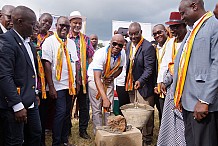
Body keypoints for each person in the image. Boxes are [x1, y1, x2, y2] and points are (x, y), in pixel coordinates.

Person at [171, 0, 218, 145]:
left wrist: (205, 100)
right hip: (188, 102)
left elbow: (216, 64)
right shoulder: (193, 30)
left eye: (183, 13)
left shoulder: (214, 26)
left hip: (203, 105)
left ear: (194, 6)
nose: (181, 17)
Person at [0, 6, 41, 146]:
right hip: (15, 105)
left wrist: (35, 94)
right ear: (19, 21)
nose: (35, 28)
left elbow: (30, 72)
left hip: (31, 101)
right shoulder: (6, 41)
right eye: (32, 24)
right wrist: (17, 106)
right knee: (15, 141)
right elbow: (5, 76)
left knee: (36, 134)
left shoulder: (28, 43)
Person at [42, 16, 78, 146]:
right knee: (60, 113)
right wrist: (51, 86)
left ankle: (64, 141)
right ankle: (56, 142)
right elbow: (46, 64)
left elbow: (76, 64)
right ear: (56, 26)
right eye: (61, 25)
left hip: (70, 85)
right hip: (57, 85)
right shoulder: (49, 41)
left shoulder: (71, 43)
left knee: (66, 114)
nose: (64, 28)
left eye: (67, 26)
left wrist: (77, 83)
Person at [157, 12, 187, 146]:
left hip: (186, 87)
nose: (173, 30)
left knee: (183, 119)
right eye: (171, 27)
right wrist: (161, 81)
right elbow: (165, 63)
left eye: (176, 27)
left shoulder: (190, 41)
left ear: (184, 25)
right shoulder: (170, 43)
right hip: (171, 87)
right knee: (170, 118)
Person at [125, 22, 156, 146]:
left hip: (144, 87)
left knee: (146, 114)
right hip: (131, 86)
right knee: (135, 114)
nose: (133, 37)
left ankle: (147, 139)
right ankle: (137, 136)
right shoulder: (128, 46)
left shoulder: (147, 47)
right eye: (131, 34)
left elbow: (149, 69)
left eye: (135, 34)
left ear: (141, 32)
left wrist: (140, 81)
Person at [88, 34, 125, 133]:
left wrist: (112, 77)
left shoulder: (123, 54)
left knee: (109, 107)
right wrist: (104, 98)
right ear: (110, 43)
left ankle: (109, 130)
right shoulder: (101, 54)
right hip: (95, 79)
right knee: (97, 108)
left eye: (120, 45)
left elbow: (120, 68)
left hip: (108, 78)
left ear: (123, 46)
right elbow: (97, 78)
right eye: (115, 44)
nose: (117, 47)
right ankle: (99, 133)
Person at [68, 10, 94, 139]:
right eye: (75, 23)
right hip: (69, 79)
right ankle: (67, 129)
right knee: (68, 105)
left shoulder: (85, 39)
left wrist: (89, 75)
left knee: (84, 106)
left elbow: (90, 57)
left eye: (79, 23)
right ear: (70, 23)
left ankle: (83, 130)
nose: (77, 25)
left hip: (83, 79)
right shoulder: (65, 37)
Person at [37, 12, 54, 146]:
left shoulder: (53, 38)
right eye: (44, 21)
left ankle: (44, 136)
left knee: (46, 110)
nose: (47, 24)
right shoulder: (32, 35)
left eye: (49, 22)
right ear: (39, 20)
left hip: (48, 81)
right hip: (35, 80)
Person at [152, 24, 169, 122]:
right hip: (156, 87)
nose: (157, 35)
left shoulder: (172, 45)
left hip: (168, 85)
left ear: (166, 31)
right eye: (155, 34)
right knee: (161, 112)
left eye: (159, 32)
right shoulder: (154, 48)